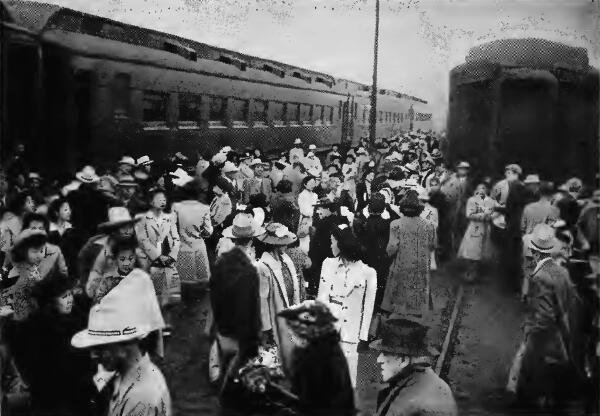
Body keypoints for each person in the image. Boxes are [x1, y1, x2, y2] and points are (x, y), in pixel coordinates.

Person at [71, 270, 171, 416]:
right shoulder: (127, 377)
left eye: (101, 348)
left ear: (125, 344)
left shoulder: (139, 398)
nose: (94, 355)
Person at [507, 224, 578, 412]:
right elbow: (568, 299)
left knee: (532, 367)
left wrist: (532, 328)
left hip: (542, 328)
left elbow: (543, 311)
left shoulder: (540, 274)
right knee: (558, 363)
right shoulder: (561, 272)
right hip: (560, 325)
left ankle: (530, 403)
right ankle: (553, 400)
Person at [18, 272, 94, 416]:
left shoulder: (77, 317)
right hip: (51, 393)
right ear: (51, 301)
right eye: (64, 297)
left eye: (70, 295)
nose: (70, 299)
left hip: (78, 388)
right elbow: (35, 364)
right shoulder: (37, 327)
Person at [317, 224, 376, 388]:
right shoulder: (327, 264)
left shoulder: (368, 273)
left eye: (332, 241)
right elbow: (321, 297)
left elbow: (368, 306)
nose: (330, 245)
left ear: (341, 244)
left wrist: (363, 336)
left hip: (351, 334)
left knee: (347, 379)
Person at [277, 301, 356, 416]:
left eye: (294, 327)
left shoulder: (314, 357)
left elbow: (307, 403)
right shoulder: (330, 347)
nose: (290, 334)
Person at [370, 317, 457, 416]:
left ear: (403, 360)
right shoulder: (424, 378)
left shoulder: (410, 392)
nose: (378, 359)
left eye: (385, 353)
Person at [210, 247, 262, 406]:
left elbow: (212, 297)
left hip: (222, 330)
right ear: (252, 244)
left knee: (225, 367)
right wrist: (254, 337)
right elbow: (252, 307)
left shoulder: (220, 264)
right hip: (240, 337)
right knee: (234, 376)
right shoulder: (250, 271)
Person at [383, 191, 435, 318]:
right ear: (420, 209)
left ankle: (401, 314)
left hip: (402, 263)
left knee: (400, 291)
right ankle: (416, 312)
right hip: (421, 264)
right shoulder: (429, 225)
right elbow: (432, 245)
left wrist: (388, 256)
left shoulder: (396, 224)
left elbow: (392, 247)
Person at [256, 223, 301, 368]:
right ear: (275, 245)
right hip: (275, 313)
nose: (287, 246)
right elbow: (262, 300)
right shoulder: (263, 266)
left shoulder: (286, 259)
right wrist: (266, 328)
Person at [135, 188, 181, 313]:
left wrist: (171, 256)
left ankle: (167, 324)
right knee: (153, 297)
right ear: (151, 202)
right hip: (151, 261)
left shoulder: (170, 217)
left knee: (170, 299)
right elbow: (143, 240)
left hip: (169, 262)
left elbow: (176, 239)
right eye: (159, 199)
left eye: (164, 199)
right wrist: (157, 256)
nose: (163, 201)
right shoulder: (142, 219)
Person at [82, 206, 141, 296]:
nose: (128, 231)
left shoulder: (133, 244)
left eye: (130, 227)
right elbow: (93, 272)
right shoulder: (98, 248)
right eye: (123, 228)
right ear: (114, 230)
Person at [172, 180, 213, 290]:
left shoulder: (176, 207)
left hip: (182, 245)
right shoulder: (204, 208)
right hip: (198, 245)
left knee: (184, 278)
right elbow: (208, 231)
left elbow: (171, 227)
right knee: (200, 276)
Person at [1, 230, 48, 321]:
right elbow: (10, 253)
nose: (39, 255)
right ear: (24, 252)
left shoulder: (37, 264)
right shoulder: (21, 265)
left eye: (42, 251)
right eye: (34, 252)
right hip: (23, 298)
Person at [457, 184, 499, 282]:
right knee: (472, 249)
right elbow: (469, 214)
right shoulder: (471, 200)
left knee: (482, 250)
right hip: (474, 228)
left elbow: (496, 212)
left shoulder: (491, 201)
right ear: (476, 189)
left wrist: (492, 216)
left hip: (485, 228)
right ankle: (470, 271)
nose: (482, 190)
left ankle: (477, 271)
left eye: (484, 188)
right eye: (480, 188)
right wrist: (483, 216)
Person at [0, 191, 35, 268]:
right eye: (29, 202)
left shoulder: (28, 221)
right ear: (21, 205)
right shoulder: (11, 220)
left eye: (32, 201)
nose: (32, 204)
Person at [297, 175, 319, 254]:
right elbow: (303, 210)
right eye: (310, 183)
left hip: (314, 219)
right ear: (305, 184)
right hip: (305, 219)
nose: (312, 185)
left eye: (314, 183)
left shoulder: (315, 195)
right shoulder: (302, 195)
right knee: (304, 241)